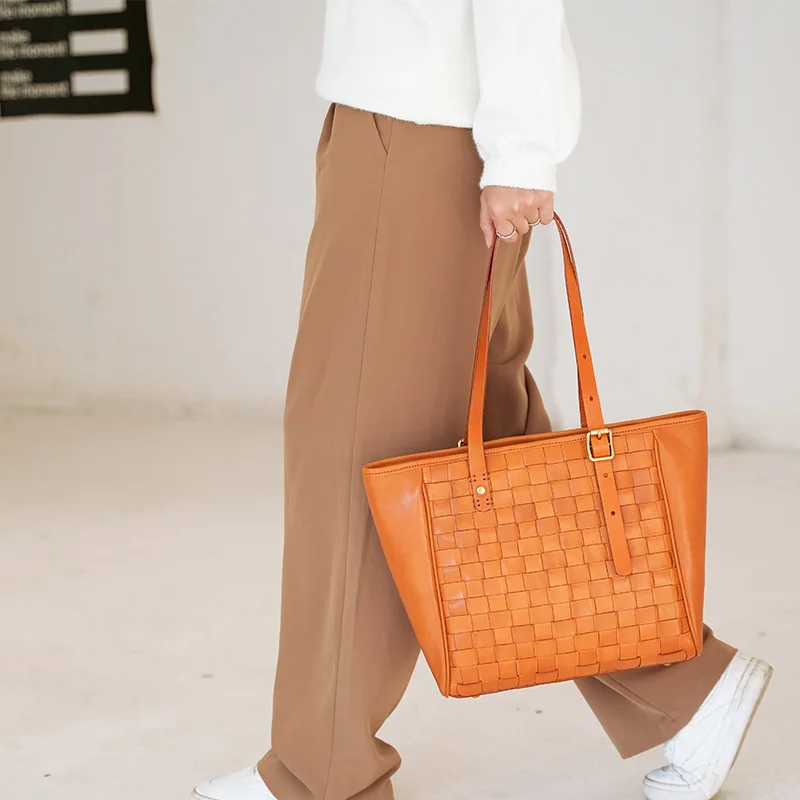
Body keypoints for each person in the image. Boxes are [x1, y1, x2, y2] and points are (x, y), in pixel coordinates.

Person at [191, 2, 772, 799]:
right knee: (494, 454)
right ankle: (685, 686)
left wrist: (521, 149)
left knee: (356, 445)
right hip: (401, 125)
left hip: (419, 134)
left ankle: (321, 773)